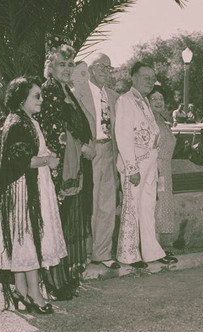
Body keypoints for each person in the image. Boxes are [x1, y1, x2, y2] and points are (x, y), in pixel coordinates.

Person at [0, 76, 67, 314]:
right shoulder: (18, 123)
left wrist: (47, 153)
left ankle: (21, 291)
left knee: (23, 239)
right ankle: (35, 295)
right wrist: (49, 161)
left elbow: (30, 151)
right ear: (21, 97)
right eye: (36, 96)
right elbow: (22, 160)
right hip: (23, 189)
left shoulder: (26, 121)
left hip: (30, 186)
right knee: (27, 237)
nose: (41, 100)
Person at [39, 41, 94, 299]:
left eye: (71, 64)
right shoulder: (48, 91)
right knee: (56, 224)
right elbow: (53, 131)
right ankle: (53, 282)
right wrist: (81, 147)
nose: (67, 68)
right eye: (62, 64)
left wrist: (86, 145)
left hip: (73, 170)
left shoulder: (66, 90)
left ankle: (66, 277)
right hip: (58, 171)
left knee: (67, 224)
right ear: (50, 65)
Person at [115, 62, 177, 268]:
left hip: (150, 164)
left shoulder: (144, 102)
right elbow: (123, 135)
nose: (150, 81)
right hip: (136, 165)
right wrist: (131, 168)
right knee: (131, 209)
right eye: (145, 77)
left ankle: (151, 251)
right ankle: (128, 255)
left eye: (152, 78)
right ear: (133, 78)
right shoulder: (126, 100)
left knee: (148, 208)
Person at [72, 53, 121, 270]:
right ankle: (83, 253)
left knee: (107, 205)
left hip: (110, 151)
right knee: (87, 205)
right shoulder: (77, 94)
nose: (105, 71)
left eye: (109, 68)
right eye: (101, 67)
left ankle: (102, 253)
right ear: (90, 69)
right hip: (89, 154)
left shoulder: (114, 97)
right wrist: (82, 147)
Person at [148, 85, 177, 236]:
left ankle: (157, 245)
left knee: (162, 205)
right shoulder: (148, 121)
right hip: (156, 170)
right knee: (155, 206)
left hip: (165, 170)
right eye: (154, 99)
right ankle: (153, 245)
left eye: (161, 98)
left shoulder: (162, 120)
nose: (158, 102)